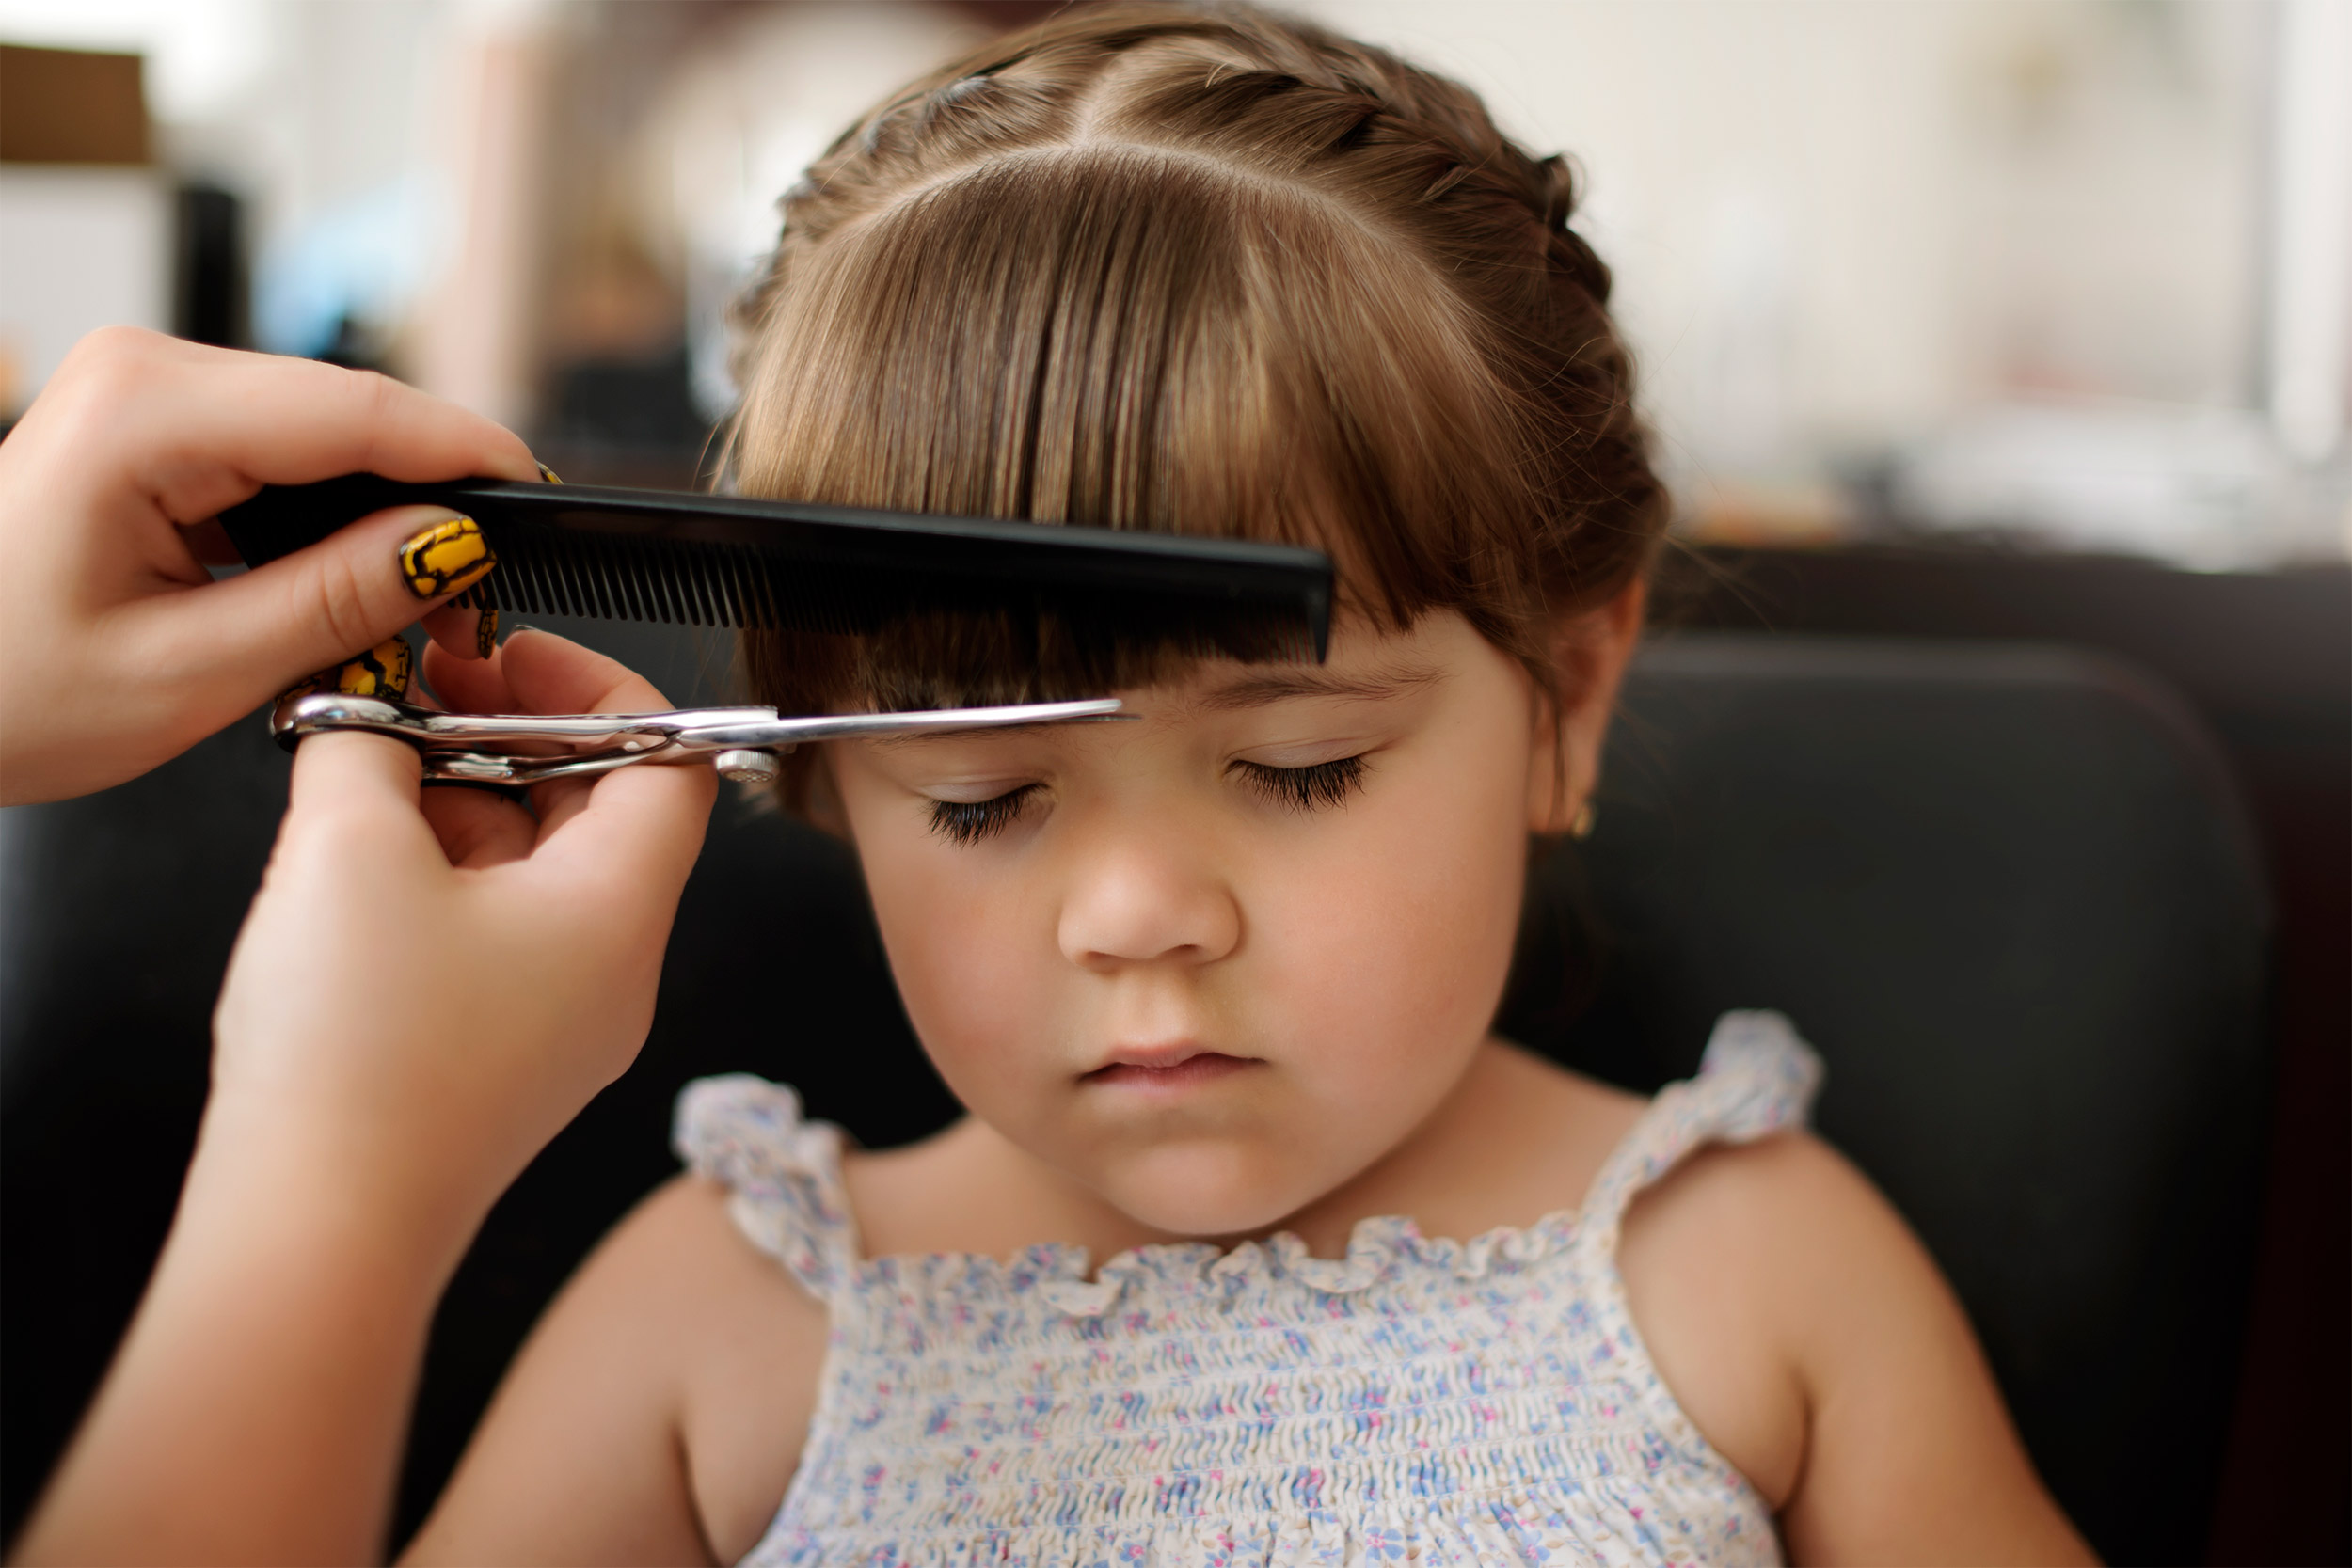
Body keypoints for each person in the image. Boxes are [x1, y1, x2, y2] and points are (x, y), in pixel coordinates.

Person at [14, 7, 2094, 1564]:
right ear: (817, 774)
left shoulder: (1751, 1284)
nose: (1135, 915)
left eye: (1296, 768)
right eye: (989, 799)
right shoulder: (718, 1335)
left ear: (1562, 692)